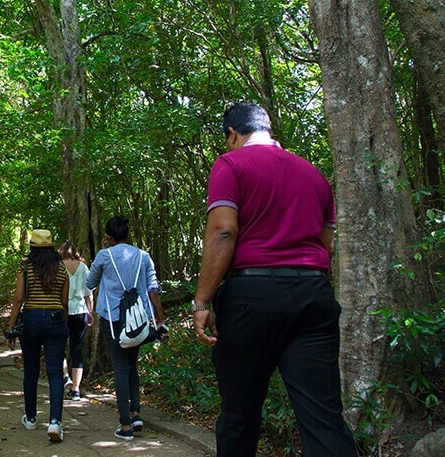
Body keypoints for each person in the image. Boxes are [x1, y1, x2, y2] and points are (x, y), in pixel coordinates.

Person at [193, 102, 355, 456]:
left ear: (232, 134)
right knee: (324, 419)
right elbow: (324, 245)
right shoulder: (315, 175)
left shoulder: (230, 164)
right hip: (313, 294)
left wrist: (203, 301)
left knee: (239, 415)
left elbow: (223, 231)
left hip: (252, 297)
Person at [86, 215, 164, 441]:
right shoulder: (142, 256)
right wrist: (159, 320)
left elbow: (90, 283)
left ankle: (125, 425)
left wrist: (101, 255)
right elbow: (153, 289)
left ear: (109, 237)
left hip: (112, 319)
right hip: (139, 319)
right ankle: (136, 413)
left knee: (120, 367)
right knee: (132, 365)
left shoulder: (104, 255)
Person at [5, 229, 69, 442]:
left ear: (32, 248)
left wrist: (11, 327)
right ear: (52, 248)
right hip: (55, 319)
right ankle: (54, 422)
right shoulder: (61, 269)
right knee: (55, 373)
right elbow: (64, 302)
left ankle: (31, 418)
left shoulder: (25, 269)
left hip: (31, 319)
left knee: (31, 371)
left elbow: (18, 299)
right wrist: (63, 325)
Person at [58, 241, 93, 401]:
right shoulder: (83, 267)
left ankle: (66, 377)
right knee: (76, 349)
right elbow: (88, 293)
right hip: (80, 311)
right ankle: (76, 389)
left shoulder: (58, 266)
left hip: (62, 310)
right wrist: (90, 311)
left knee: (58, 346)